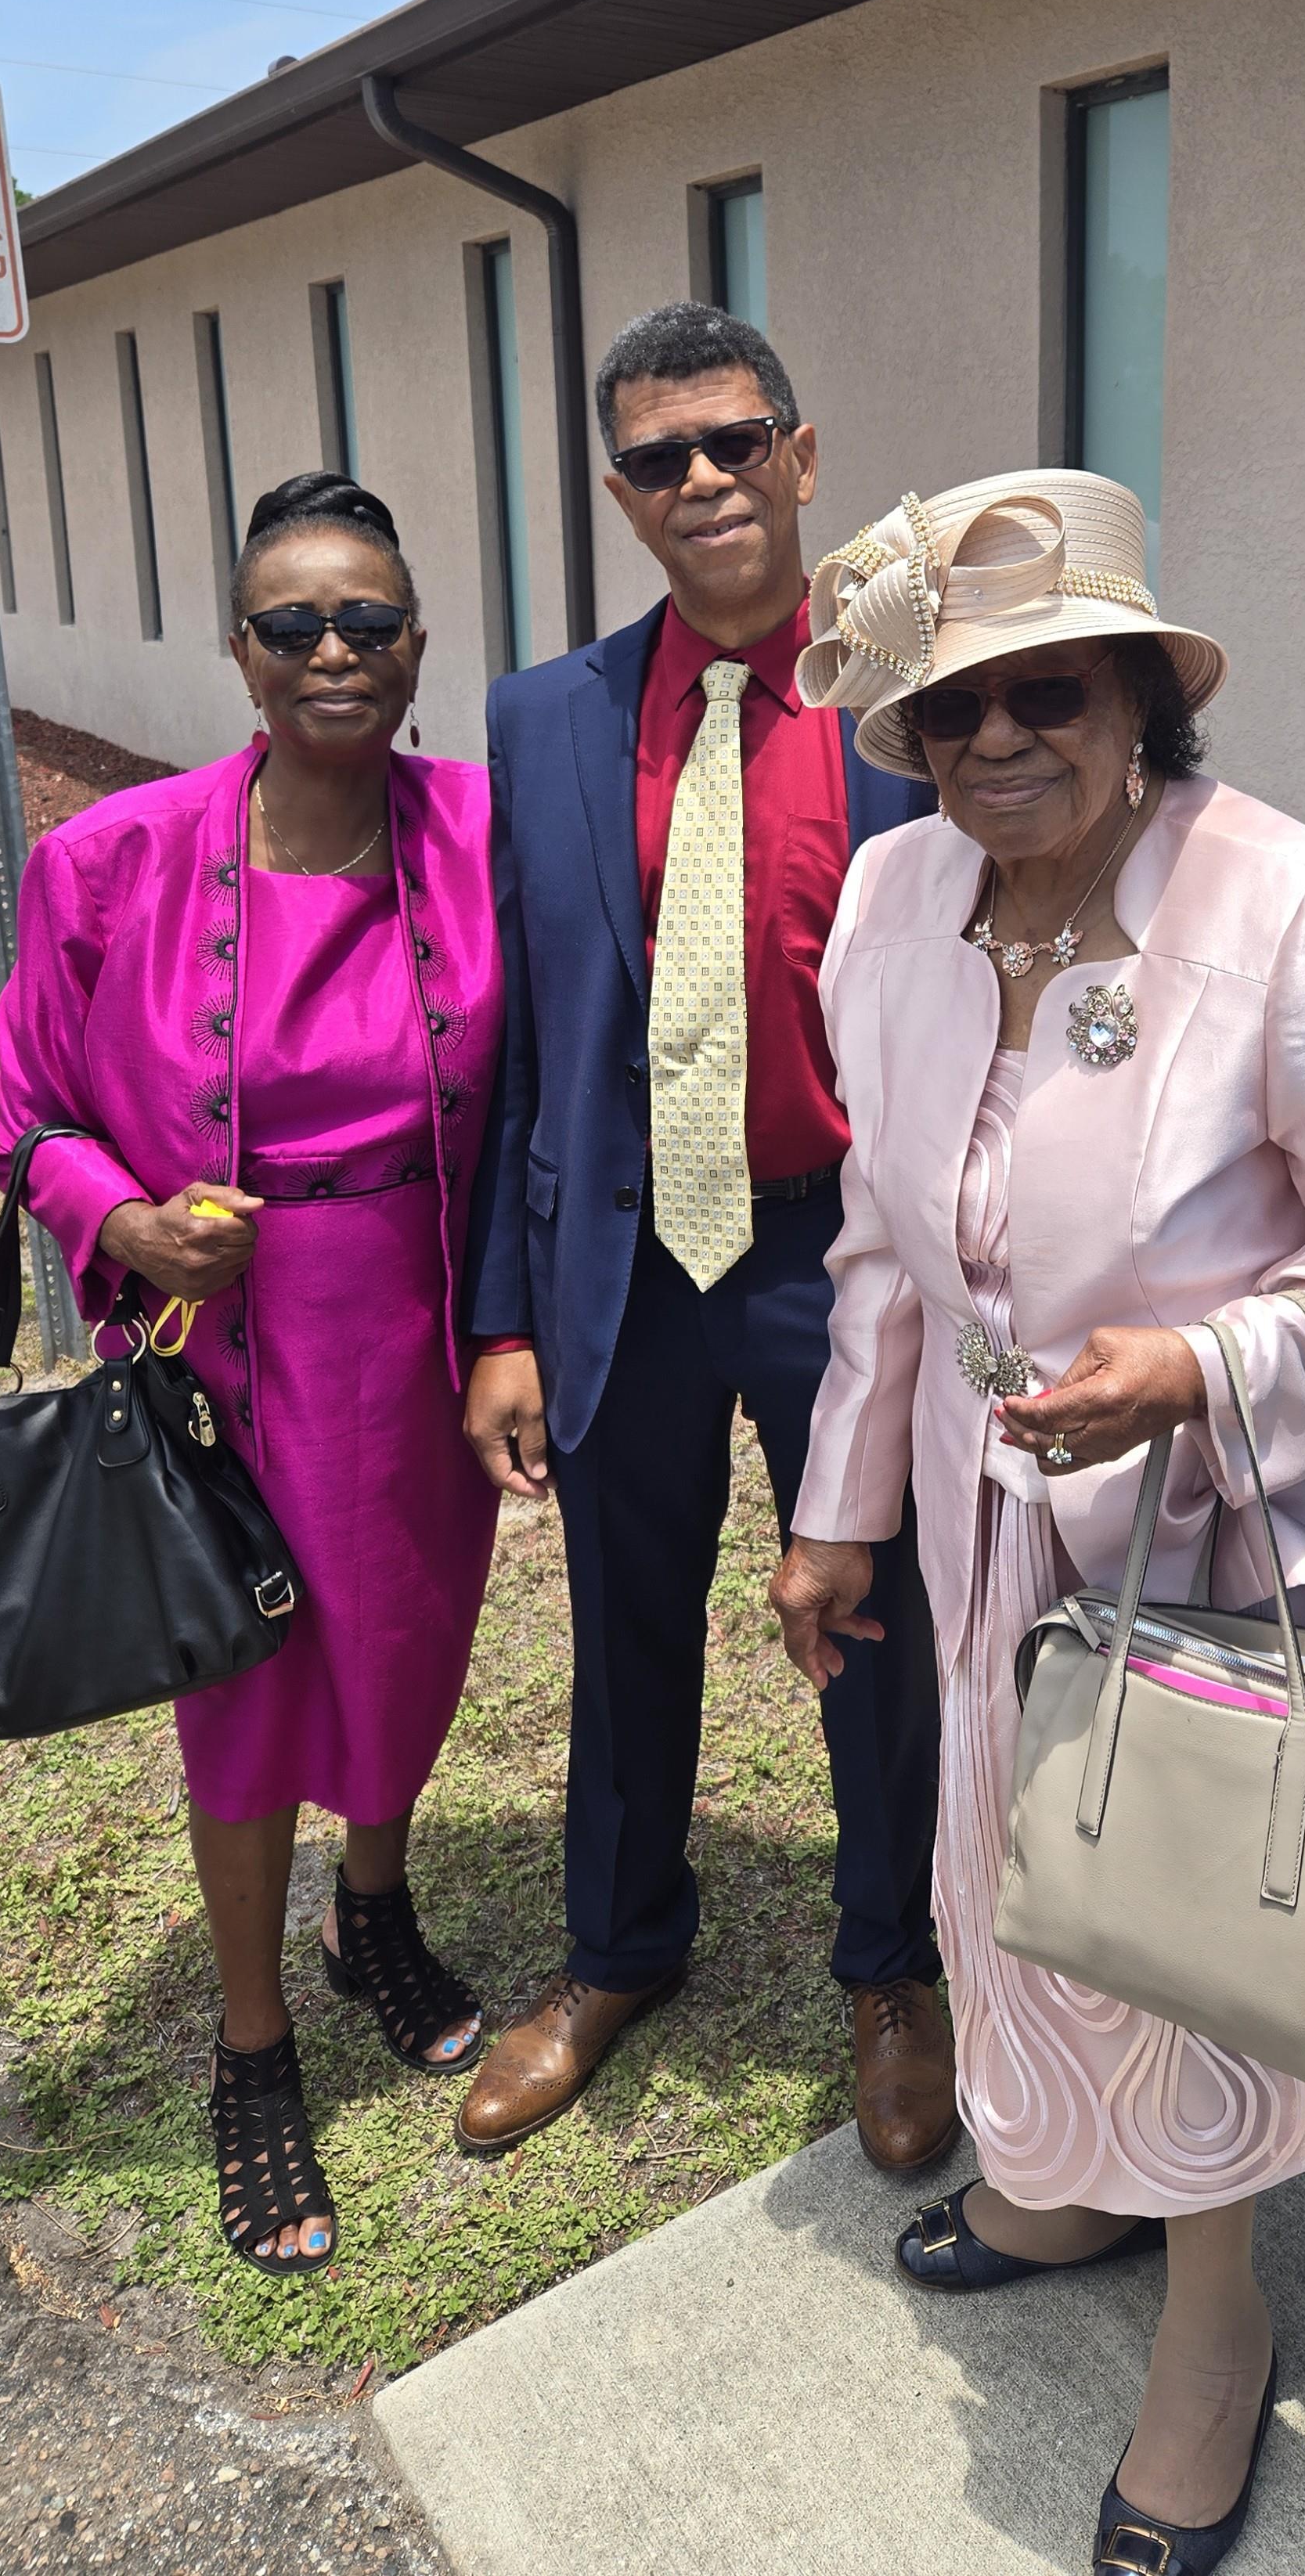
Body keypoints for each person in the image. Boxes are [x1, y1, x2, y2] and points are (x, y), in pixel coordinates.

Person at [770, 470, 1305, 2574]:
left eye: (1048, 693)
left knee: (1174, 1917)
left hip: (1211, 1525)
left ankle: (1215, 2323)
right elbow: (882, 1255)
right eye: (949, 714)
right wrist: (841, 1509)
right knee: (1011, 1867)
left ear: (1144, 700)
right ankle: (1064, 2182)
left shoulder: (1294, 899)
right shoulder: (888, 907)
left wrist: (1199, 1368)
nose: (996, 746)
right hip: (987, 1511)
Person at [0, 472, 503, 2273]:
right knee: (248, 1682)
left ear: (418, 644)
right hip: (227, 1348)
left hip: (417, 1334)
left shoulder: (484, 833)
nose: (335, 651)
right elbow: (27, 1115)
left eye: (369, 619)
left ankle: (374, 1909)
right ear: (240, 652)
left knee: (405, 1643)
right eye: (294, 624)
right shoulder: (107, 863)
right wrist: (121, 1221)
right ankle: (251, 2046)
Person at [457, 304, 947, 2167]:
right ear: (621, 493)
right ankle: (616, 1948)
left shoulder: (918, 696)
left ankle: (889, 1965)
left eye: (737, 443)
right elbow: (525, 1051)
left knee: (872, 1621)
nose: (705, 482)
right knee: (623, 1617)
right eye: (662, 459)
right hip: (629, 1262)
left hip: (846, 1254)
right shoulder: (546, 720)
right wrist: (506, 1317)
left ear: (802, 457)